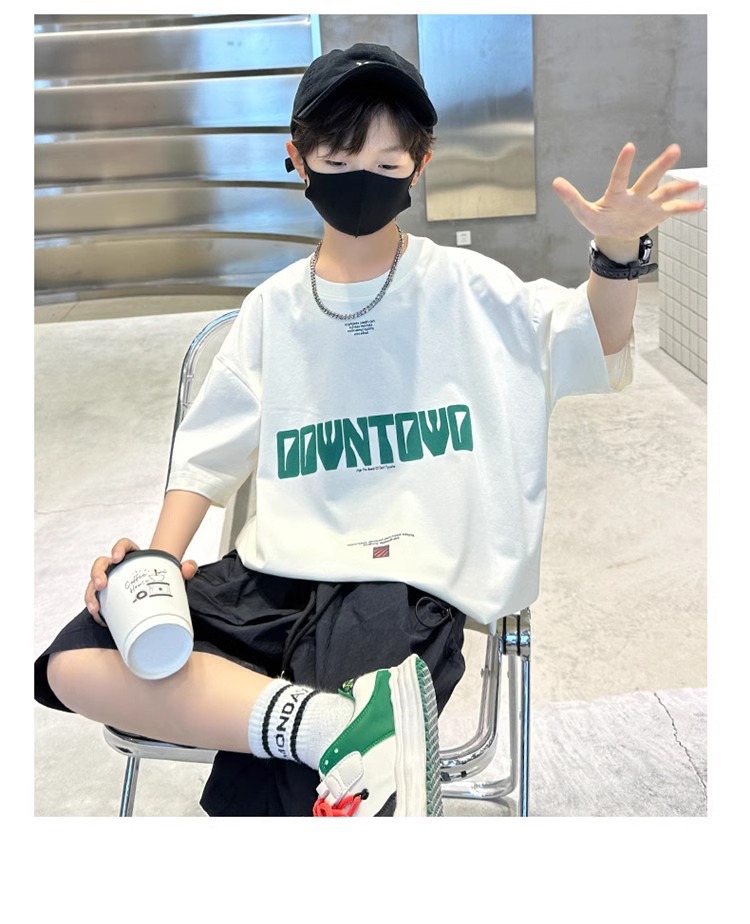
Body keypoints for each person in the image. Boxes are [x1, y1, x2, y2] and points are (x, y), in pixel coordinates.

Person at [34, 42, 704, 817]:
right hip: (277, 572)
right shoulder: (273, 311)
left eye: (388, 164)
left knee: (317, 798)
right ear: (297, 159)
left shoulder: (470, 290)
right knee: (76, 661)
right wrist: (155, 569)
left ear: (421, 166)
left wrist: (616, 253)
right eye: (338, 158)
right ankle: (331, 726)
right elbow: (206, 458)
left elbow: (595, 339)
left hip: (404, 579)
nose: (363, 178)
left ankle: (337, 733)